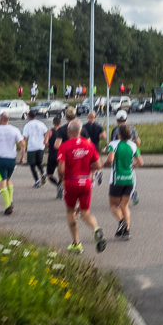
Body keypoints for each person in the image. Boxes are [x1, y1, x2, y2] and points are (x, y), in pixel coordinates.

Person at [57, 119, 104, 253]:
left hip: (71, 182)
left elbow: (61, 169)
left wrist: (62, 181)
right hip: (86, 182)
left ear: (68, 131)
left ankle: (76, 243)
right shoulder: (89, 145)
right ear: (81, 131)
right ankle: (95, 228)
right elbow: (98, 165)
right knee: (85, 213)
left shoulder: (64, 146)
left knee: (71, 212)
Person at [105, 124, 143, 239]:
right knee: (124, 206)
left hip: (117, 180)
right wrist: (132, 167)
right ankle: (126, 232)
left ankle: (121, 222)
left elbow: (110, 160)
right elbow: (140, 162)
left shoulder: (113, 144)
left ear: (118, 134)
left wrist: (105, 164)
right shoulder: (133, 145)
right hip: (129, 180)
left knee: (113, 205)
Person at [0, 112, 23, 214]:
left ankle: (8, 206)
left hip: (1, 159)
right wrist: (22, 157)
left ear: (0, 119)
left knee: (1, 183)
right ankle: (10, 201)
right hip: (12, 160)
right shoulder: (14, 130)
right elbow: (22, 143)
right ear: (8, 119)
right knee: (8, 180)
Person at [114, 109, 141, 205]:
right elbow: (138, 141)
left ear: (117, 120)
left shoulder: (115, 130)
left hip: (119, 155)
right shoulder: (132, 129)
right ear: (126, 119)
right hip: (130, 154)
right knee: (130, 175)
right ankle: (131, 192)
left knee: (118, 177)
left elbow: (114, 144)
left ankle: (120, 197)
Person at [48, 107, 75, 198]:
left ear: (66, 116)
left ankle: (62, 188)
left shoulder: (62, 130)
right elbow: (88, 143)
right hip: (77, 155)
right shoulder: (80, 128)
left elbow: (56, 145)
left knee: (62, 173)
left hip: (64, 156)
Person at [21, 109, 49, 187]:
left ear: (29, 117)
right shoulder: (41, 124)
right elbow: (47, 132)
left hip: (32, 147)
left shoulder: (27, 125)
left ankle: (37, 181)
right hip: (40, 146)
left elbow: (25, 138)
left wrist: (23, 148)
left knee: (32, 165)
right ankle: (42, 173)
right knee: (39, 163)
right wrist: (46, 143)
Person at [82, 110, 107, 184]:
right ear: (95, 117)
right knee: (95, 161)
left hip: (86, 146)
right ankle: (95, 174)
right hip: (95, 146)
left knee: (88, 162)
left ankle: (92, 177)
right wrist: (99, 138)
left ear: (87, 117)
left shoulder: (84, 127)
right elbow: (104, 136)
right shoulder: (98, 127)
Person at [45, 113, 65, 195]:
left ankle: (58, 185)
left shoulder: (49, 132)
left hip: (52, 155)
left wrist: (47, 147)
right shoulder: (63, 132)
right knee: (62, 173)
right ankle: (62, 186)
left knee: (49, 175)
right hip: (61, 155)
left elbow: (45, 142)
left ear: (53, 123)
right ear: (60, 123)